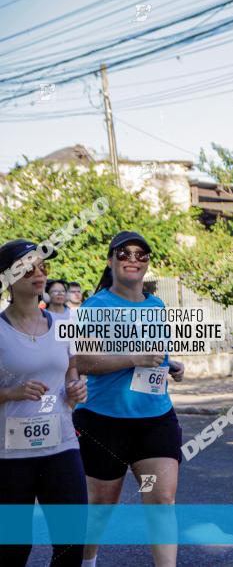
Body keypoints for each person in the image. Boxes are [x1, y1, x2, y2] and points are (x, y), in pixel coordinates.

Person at [73, 232, 185, 567]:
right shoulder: (96, 307)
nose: (133, 258)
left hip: (155, 416)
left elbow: (156, 357)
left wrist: (172, 365)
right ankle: (88, 561)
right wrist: (132, 358)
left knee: (162, 500)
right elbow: (84, 362)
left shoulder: (157, 306)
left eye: (141, 253)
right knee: (101, 506)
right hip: (104, 420)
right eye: (124, 253)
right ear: (111, 261)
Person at [0, 239, 88, 566]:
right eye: (27, 267)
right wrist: (11, 393)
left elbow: (71, 373)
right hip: (9, 457)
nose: (38, 273)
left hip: (61, 448)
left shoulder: (64, 326)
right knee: (12, 549)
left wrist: (76, 390)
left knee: (70, 545)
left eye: (42, 267)